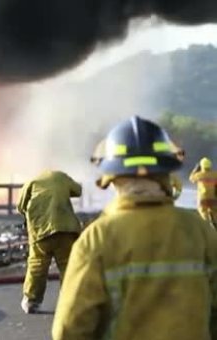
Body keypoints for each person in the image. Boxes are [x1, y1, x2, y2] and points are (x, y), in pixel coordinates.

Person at [52, 116, 217, 340]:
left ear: (112, 176)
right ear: (166, 171)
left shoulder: (97, 238)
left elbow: (69, 329)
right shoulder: (201, 231)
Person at [17, 170, 82, 314]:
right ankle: (70, 302)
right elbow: (78, 190)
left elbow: (20, 206)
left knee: (37, 264)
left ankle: (31, 301)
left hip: (41, 231)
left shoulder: (31, 182)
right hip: (66, 229)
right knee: (68, 266)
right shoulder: (62, 177)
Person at [190, 157, 217, 227]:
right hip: (213, 198)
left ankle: (206, 225)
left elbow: (191, 178)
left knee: (203, 212)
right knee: (215, 212)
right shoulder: (215, 174)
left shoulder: (199, 175)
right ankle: (215, 224)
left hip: (202, 199)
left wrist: (196, 169)